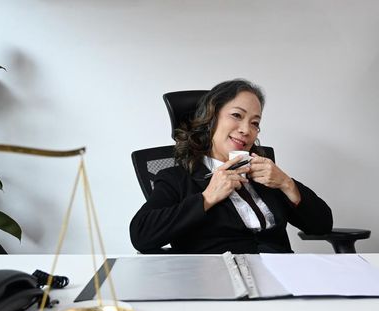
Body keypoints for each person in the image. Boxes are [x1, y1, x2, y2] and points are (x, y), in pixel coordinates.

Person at [130, 79, 333, 253]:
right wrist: (207, 197)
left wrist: (287, 184)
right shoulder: (177, 178)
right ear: (211, 118)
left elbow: (322, 225)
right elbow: (141, 234)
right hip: (220, 282)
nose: (246, 130)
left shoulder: (264, 175)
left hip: (283, 276)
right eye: (237, 115)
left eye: (255, 123)